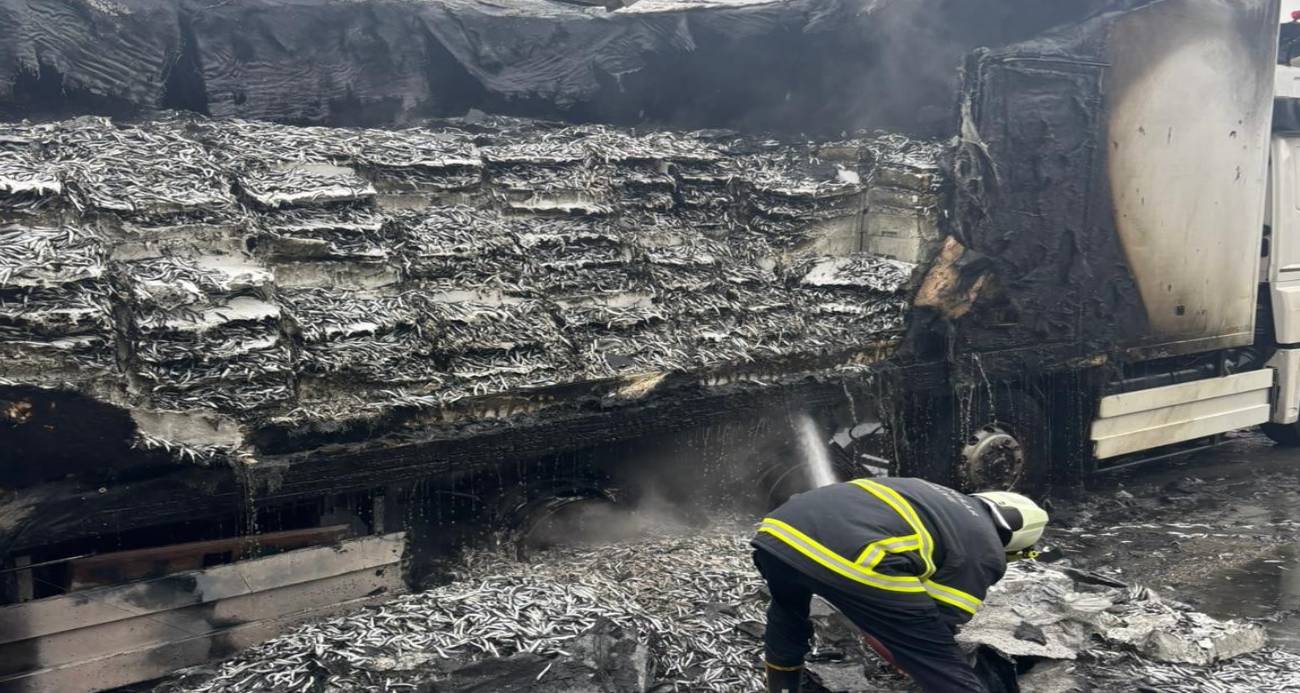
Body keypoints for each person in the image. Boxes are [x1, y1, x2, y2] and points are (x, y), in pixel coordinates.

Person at [752, 477, 1048, 693]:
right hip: (859, 557)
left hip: (778, 534)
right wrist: (906, 652)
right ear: (1013, 542)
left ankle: (782, 688)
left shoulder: (932, 493)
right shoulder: (986, 549)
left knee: (788, 614)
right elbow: (933, 627)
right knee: (940, 663)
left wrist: (878, 626)